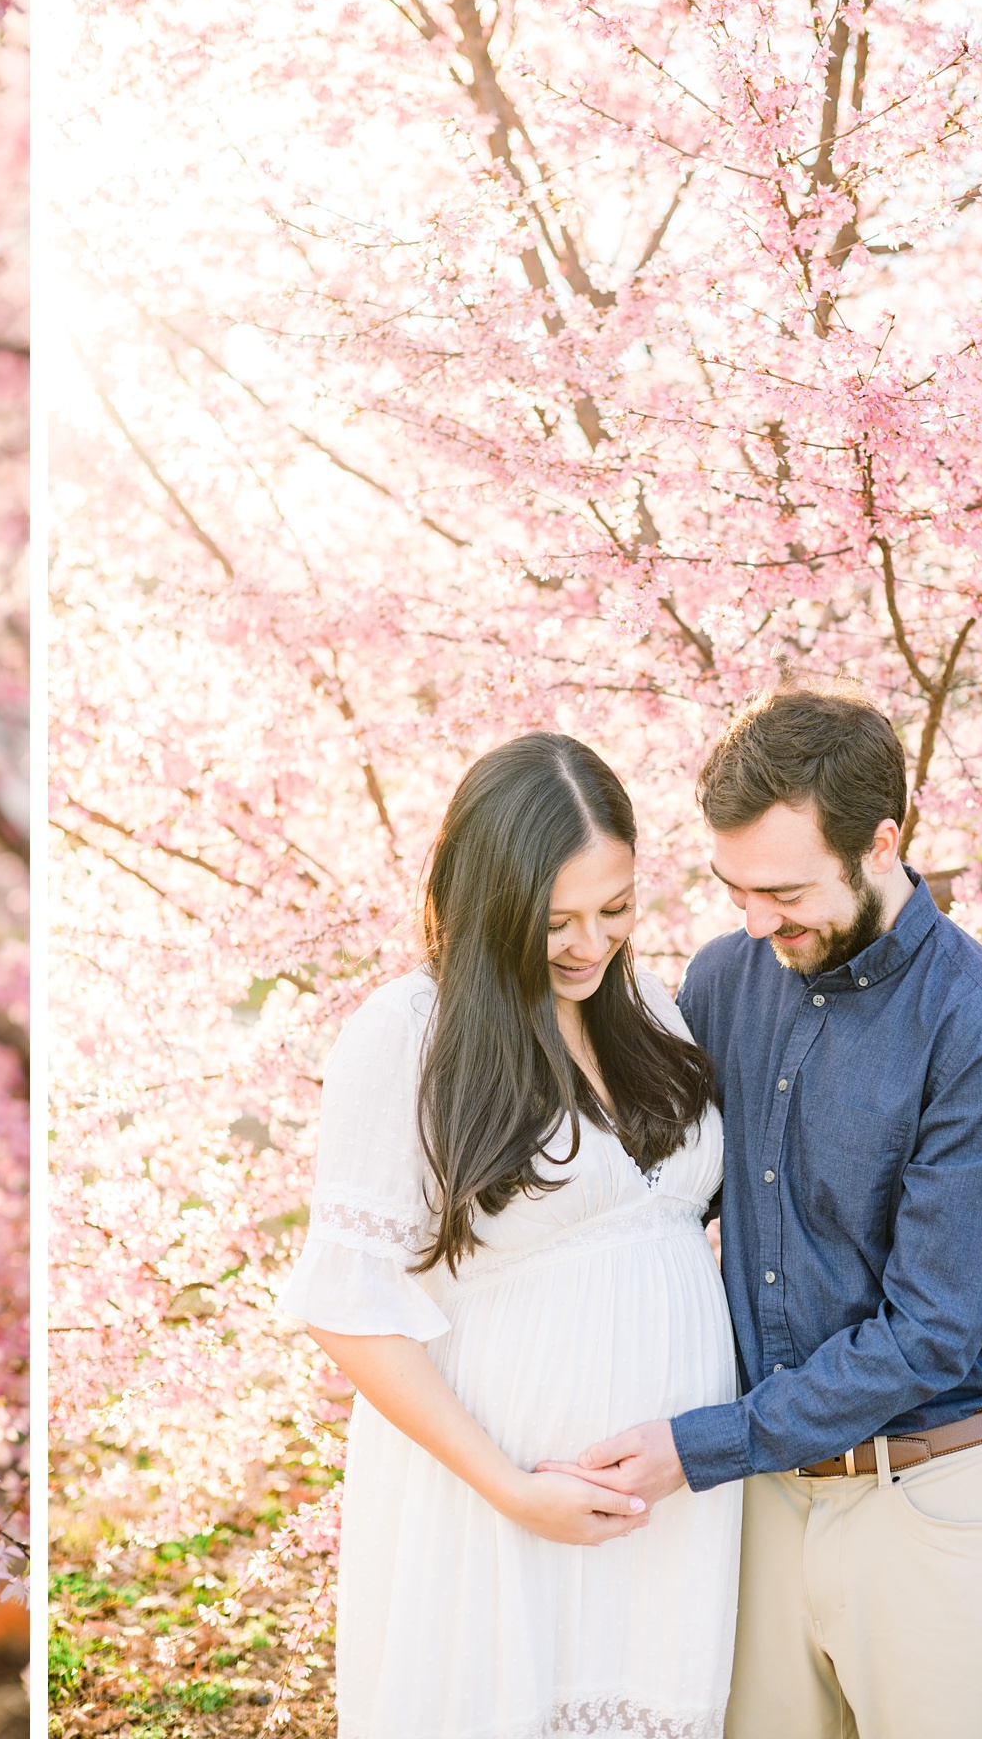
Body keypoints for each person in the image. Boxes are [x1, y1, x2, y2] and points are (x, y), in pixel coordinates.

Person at [553, 687, 982, 1739]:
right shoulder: (724, 976)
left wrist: (696, 1447)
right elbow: (641, 1197)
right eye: (733, 887)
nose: (755, 921)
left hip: (938, 1500)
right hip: (763, 1502)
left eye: (785, 890)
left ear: (883, 844)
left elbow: (928, 1331)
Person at [275, 733, 741, 1739]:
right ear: (486, 898)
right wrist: (513, 1489)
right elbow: (347, 1308)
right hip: (496, 1493)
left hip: (672, 1499)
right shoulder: (408, 1031)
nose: (590, 942)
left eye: (614, 909)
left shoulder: (651, 1007)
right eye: (555, 921)